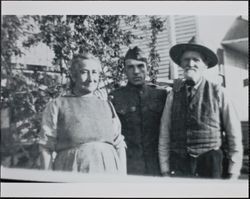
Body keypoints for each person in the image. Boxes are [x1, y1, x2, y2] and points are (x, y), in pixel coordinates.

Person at [159, 36, 243, 179]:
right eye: (186, 59)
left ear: (205, 64)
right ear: (180, 63)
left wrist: (233, 172)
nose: (190, 63)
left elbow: (233, 134)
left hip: (211, 164)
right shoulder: (173, 95)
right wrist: (165, 169)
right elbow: (164, 134)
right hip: (181, 165)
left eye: (196, 60)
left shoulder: (219, 92)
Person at [38, 52, 126, 174]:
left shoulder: (107, 105)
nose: (91, 78)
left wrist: (123, 178)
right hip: (73, 171)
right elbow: (46, 146)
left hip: (109, 173)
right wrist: (48, 180)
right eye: (84, 72)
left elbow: (119, 144)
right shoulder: (57, 105)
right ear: (73, 76)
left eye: (94, 72)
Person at [110, 46, 167, 176]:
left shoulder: (161, 95)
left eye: (141, 66)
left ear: (148, 68)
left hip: (157, 167)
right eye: (130, 67)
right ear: (124, 70)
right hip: (130, 167)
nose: (136, 71)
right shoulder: (115, 98)